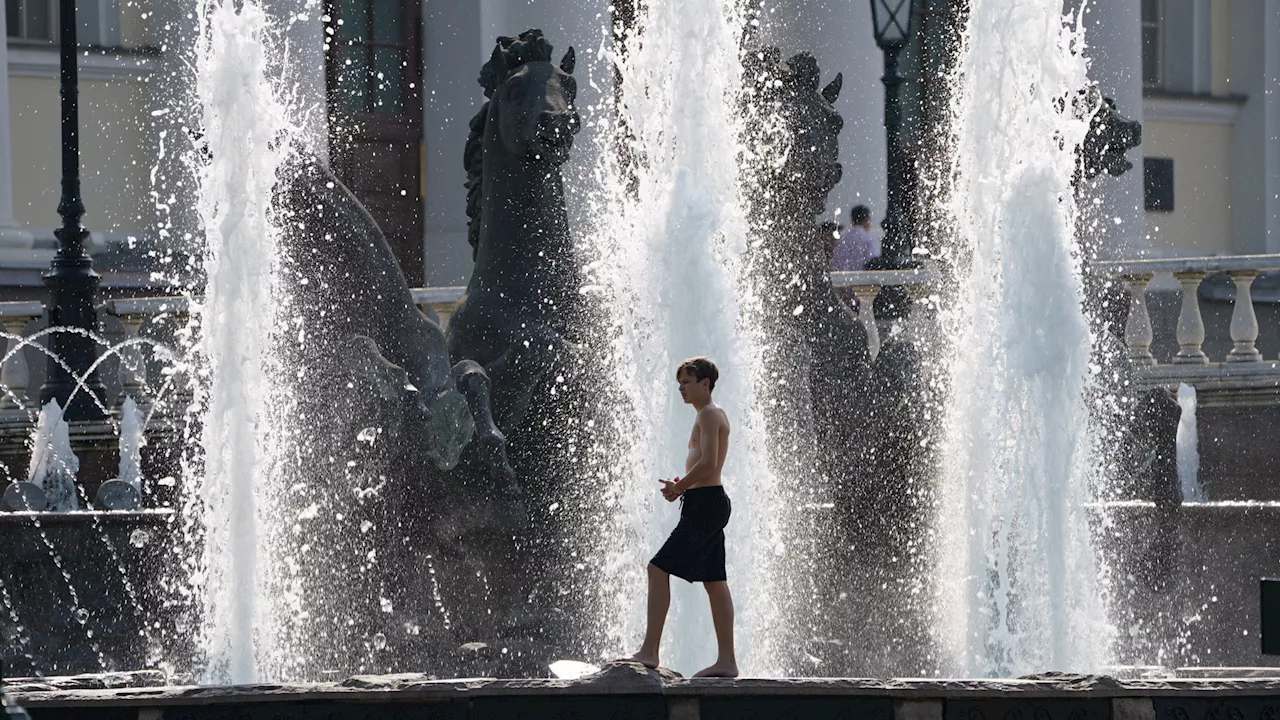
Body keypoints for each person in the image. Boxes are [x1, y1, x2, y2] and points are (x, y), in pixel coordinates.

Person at [623, 357, 737, 678]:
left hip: (706, 504)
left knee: (657, 568)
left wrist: (679, 486)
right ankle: (727, 661)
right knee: (715, 582)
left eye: (687, 381)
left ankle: (649, 650)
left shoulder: (710, 414)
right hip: (705, 501)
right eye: (679, 383)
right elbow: (703, 466)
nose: (682, 388)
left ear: (706, 384)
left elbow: (710, 463)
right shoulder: (706, 415)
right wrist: (683, 488)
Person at [831, 205, 880, 272]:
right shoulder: (869, 238)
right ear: (867, 220)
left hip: (842, 279)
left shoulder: (842, 239)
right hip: (861, 279)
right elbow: (872, 262)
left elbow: (836, 263)